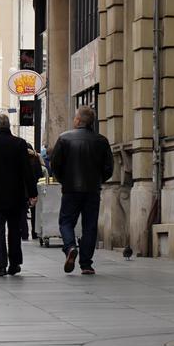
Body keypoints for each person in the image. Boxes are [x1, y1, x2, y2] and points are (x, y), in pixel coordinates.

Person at [49, 105, 113, 275]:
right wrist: (98, 180)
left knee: (66, 222)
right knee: (90, 226)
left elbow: (55, 164)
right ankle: (86, 264)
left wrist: (64, 180)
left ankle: (70, 246)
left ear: (78, 120)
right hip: (92, 189)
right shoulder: (101, 140)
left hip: (70, 189)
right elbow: (109, 168)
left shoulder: (64, 138)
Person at [0, 113, 39, 277]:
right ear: (9, 126)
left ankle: (1, 266)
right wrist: (32, 193)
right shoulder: (19, 143)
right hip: (16, 195)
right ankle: (15, 263)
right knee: (14, 230)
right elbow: (27, 171)